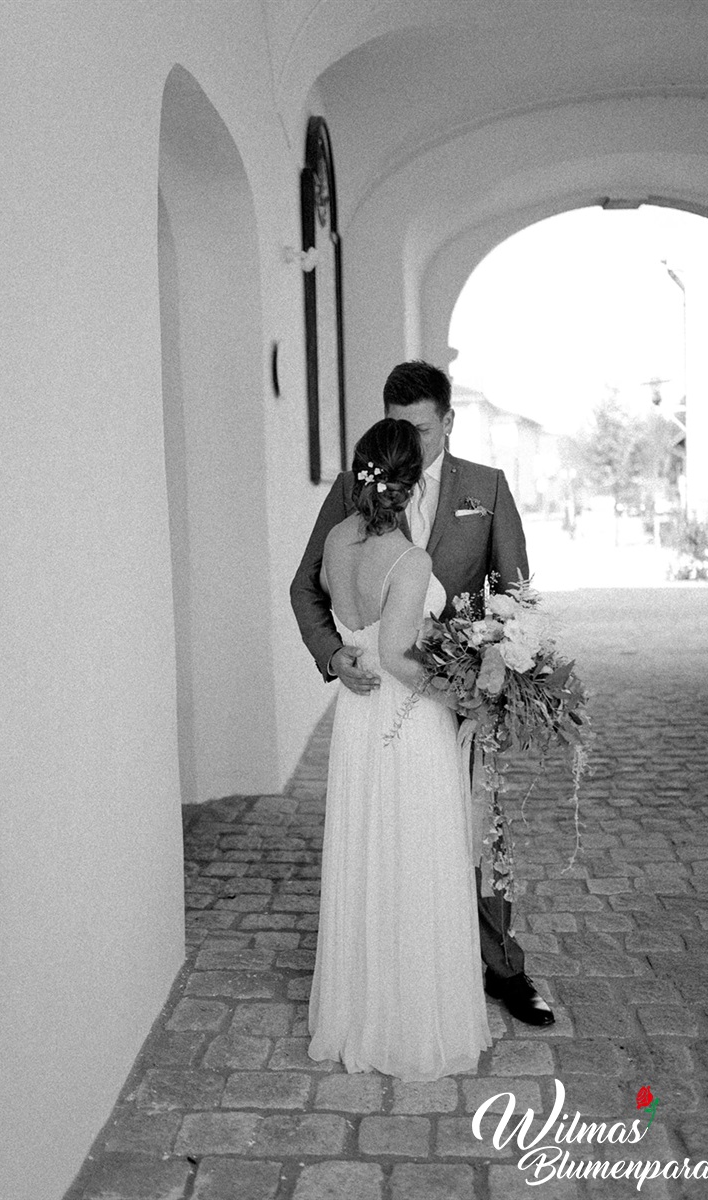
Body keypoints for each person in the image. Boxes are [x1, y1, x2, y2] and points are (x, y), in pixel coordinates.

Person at [291, 360, 554, 1028]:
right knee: (398, 833)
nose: (409, 442)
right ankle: (401, 967)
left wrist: (497, 660)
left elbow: (516, 592)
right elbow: (306, 585)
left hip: (461, 692)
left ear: (449, 421)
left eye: (422, 430)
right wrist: (333, 654)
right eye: (397, 428)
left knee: (481, 830)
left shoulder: (486, 487)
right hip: (393, 693)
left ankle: (503, 968)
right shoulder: (354, 487)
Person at [306, 417, 491, 1079]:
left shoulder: (336, 539)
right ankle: (411, 1020)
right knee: (414, 856)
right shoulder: (409, 562)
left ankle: (362, 1008)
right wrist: (465, 693)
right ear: (409, 485)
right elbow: (397, 657)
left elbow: (354, 631)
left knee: (368, 852)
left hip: (358, 718)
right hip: (406, 723)